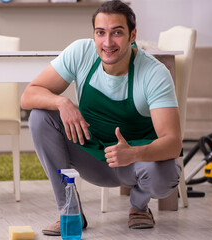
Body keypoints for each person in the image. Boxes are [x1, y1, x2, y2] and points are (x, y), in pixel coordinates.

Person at [21, 0, 182, 235]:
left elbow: (173, 143)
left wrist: (134, 153)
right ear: (94, 35)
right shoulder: (81, 52)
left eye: (117, 33)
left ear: (132, 35)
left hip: (135, 163)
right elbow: (28, 95)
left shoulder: (154, 74)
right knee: (39, 118)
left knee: (166, 174)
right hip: (91, 155)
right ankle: (70, 212)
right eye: (101, 33)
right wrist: (62, 101)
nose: (108, 42)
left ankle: (138, 206)